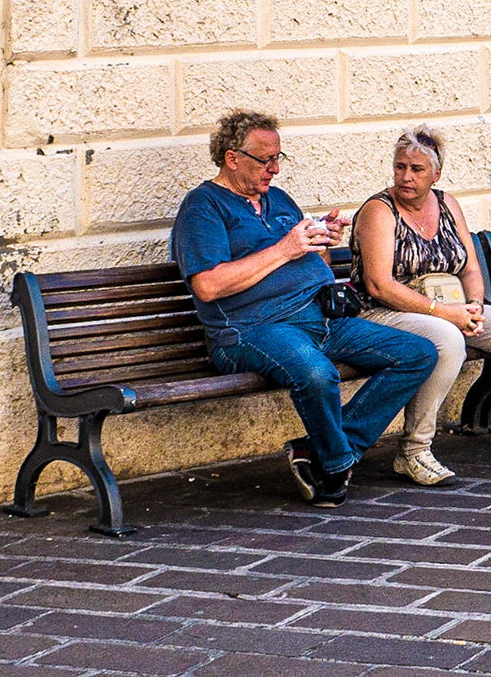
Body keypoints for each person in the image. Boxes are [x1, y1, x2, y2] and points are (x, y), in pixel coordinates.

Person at [170, 111, 435, 507]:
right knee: (316, 373)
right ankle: (337, 463)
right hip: (252, 330)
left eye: (279, 158)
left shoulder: (278, 200)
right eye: (265, 160)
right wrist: (283, 249)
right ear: (232, 158)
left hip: (320, 319)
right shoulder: (203, 208)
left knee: (417, 353)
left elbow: (315, 265)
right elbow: (208, 286)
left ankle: (321, 451)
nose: (274, 169)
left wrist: (323, 241)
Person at [351, 125, 491, 485]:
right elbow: (379, 285)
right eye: (400, 167)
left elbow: (471, 268)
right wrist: (445, 314)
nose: (405, 177)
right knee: (447, 338)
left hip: (450, 306)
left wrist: (473, 308)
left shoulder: (447, 204)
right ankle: (413, 451)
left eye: (417, 170)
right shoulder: (378, 211)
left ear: (436, 174)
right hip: (386, 313)